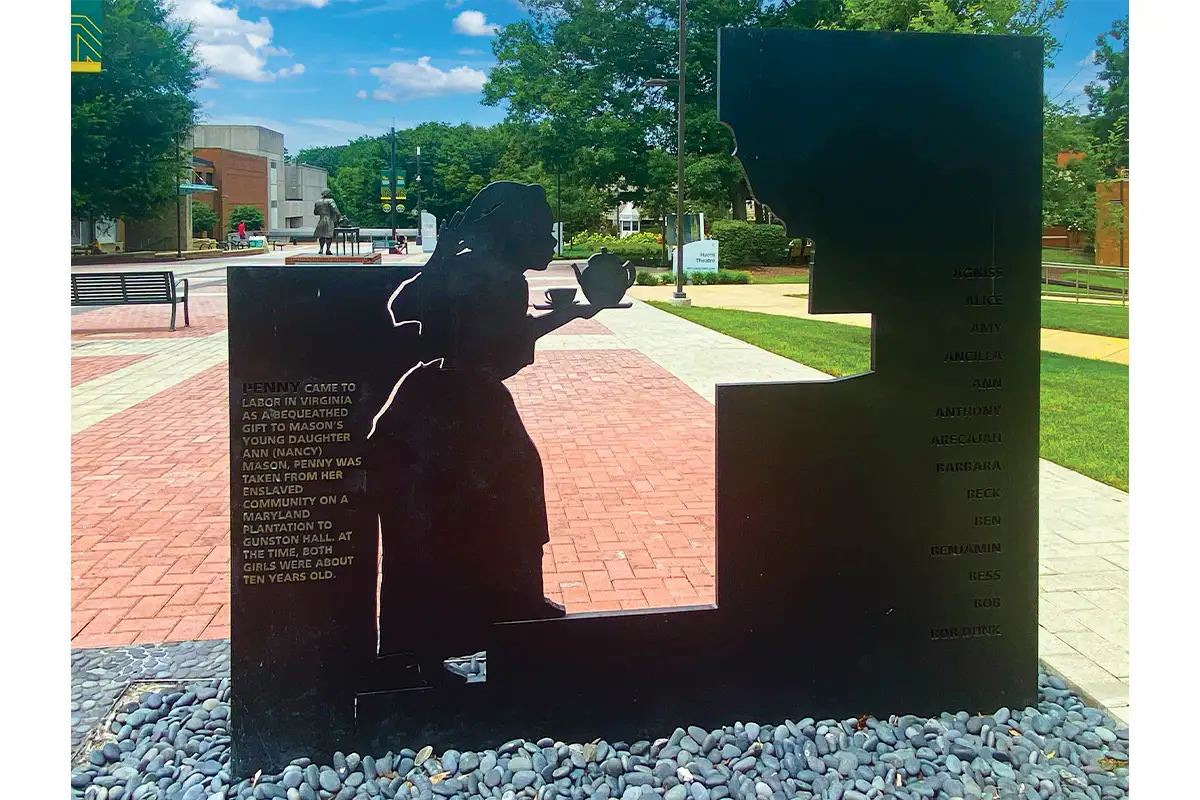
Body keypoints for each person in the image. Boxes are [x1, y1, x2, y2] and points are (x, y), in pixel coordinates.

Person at [366, 182, 603, 676]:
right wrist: (575, 311)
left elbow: (481, 336)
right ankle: (491, 622)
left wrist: (571, 312)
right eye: (540, 228)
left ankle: (506, 611)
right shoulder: (491, 275)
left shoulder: (483, 270)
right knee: (465, 520)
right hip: (448, 414)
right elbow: (493, 347)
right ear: (513, 229)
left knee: (500, 501)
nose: (550, 239)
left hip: (441, 407)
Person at [313, 189, 339, 256]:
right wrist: (340, 217)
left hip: (321, 219)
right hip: (329, 219)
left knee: (321, 236)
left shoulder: (317, 202)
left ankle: (321, 249)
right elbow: (335, 209)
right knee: (329, 236)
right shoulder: (331, 200)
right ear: (327, 194)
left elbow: (315, 212)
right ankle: (328, 249)